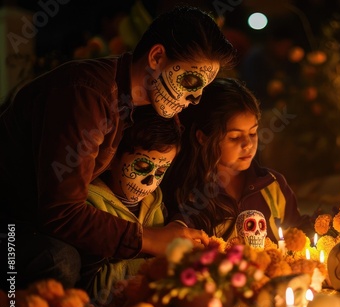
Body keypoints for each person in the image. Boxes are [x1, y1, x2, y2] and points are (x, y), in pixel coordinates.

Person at [0, 6, 234, 291]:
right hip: (11, 223)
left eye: (203, 88)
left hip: (41, 219)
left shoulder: (153, 103)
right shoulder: (87, 95)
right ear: (157, 57)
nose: (196, 98)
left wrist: (178, 228)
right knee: (60, 260)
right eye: (190, 81)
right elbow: (61, 211)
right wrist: (147, 238)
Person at [163, 78, 312, 243]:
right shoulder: (189, 195)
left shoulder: (272, 185)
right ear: (203, 138)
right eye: (234, 137)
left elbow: (297, 233)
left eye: (253, 133)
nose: (248, 144)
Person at [87, 106, 180, 304]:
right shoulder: (90, 206)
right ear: (111, 158)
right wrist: (154, 266)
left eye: (161, 170)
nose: (150, 181)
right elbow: (93, 287)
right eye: (142, 167)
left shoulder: (155, 204)